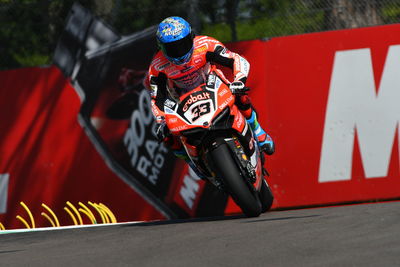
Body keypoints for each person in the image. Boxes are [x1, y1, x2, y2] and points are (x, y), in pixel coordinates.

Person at [145, 16, 274, 175]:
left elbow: (235, 59)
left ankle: (258, 131)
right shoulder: (157, 66)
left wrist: (239, 80)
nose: (179, 53)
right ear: (161, 48)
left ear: (192, 37)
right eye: (172, 48)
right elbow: (157, 98)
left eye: (182, 45)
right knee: (167, 134)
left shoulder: (205, 44)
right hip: (180, 99)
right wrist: (161, 120)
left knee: (240, 94)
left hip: (213, 84)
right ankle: (190, 161)